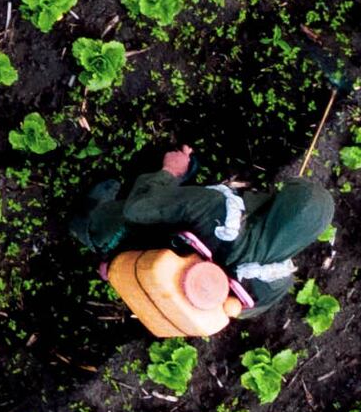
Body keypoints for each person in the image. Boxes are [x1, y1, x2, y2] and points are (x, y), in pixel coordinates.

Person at [72, 141, 334, 340]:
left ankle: (89, 224)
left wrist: (169, 172)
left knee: (112, 222)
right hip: (158, 295)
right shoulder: (277, 284)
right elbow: (236, 309)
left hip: (142, 246)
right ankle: (119, 271)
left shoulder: (217, 211)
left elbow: (139, 208)